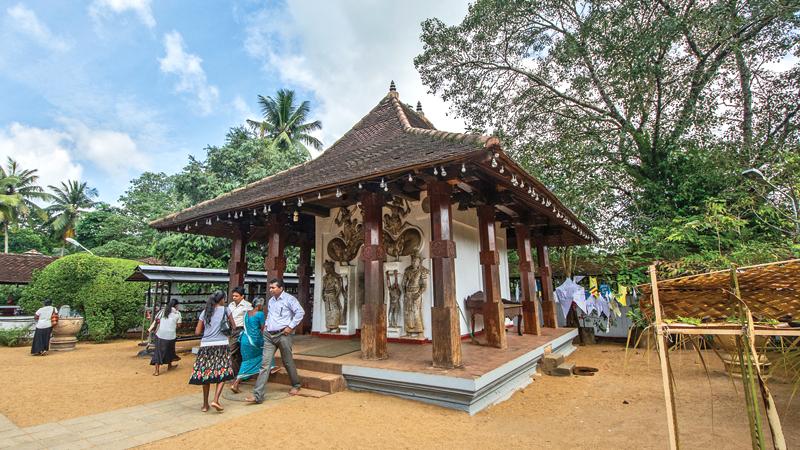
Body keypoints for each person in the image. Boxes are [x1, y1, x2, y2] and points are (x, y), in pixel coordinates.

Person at [246, 279, 305, 403]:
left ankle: (296, 385)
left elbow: (300, 312)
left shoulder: (290, 299)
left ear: (281, 288)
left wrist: (291, 326)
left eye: (273, 287)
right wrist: (266, 326)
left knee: (287, 361)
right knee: (265, 365)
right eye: (270, 287)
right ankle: (258, 395)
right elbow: (270, 315)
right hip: (269, 335)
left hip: (283, 334)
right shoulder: (271, 301)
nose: (270, 289)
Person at [189, 291, 236, 412]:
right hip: (221, 344)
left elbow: (197, 332)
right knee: (223, 371)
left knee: (206, 373)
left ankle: (205, 404)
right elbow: (234, 326)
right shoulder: (226, 310)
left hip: (205, 346)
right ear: (221, 300)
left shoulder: (205, 312)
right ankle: (215, 400)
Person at [230, 297, 278, 393]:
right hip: (255, 341)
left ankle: (271, 367)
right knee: (266, 351)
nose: (263, 307)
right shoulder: (260, 314)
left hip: (244, 339)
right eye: (262, 305)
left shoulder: (246, 313)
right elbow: (262, 328)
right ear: (259, 305)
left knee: (247, 360)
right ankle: (236, 383)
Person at [149, 298, 182, 376]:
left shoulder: (162, 311)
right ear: (176, 305)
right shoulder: (178, 313)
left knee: (158, 352)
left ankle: (157, 371)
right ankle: (169, 366)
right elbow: (179, 325)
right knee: (170, 350)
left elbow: (156, 320)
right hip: (171, 335)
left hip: (160, 334)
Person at [227, 286, 252, 377]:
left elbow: (250, 320)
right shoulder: (231, 305)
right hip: (231, 330)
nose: (234, 298)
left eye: (236, 296)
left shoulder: (247, 306)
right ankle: (238, 374)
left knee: (231, 352)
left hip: (240, 331)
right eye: (233, 296)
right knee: (236, 354)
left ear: (242, 296)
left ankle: (238, 375)